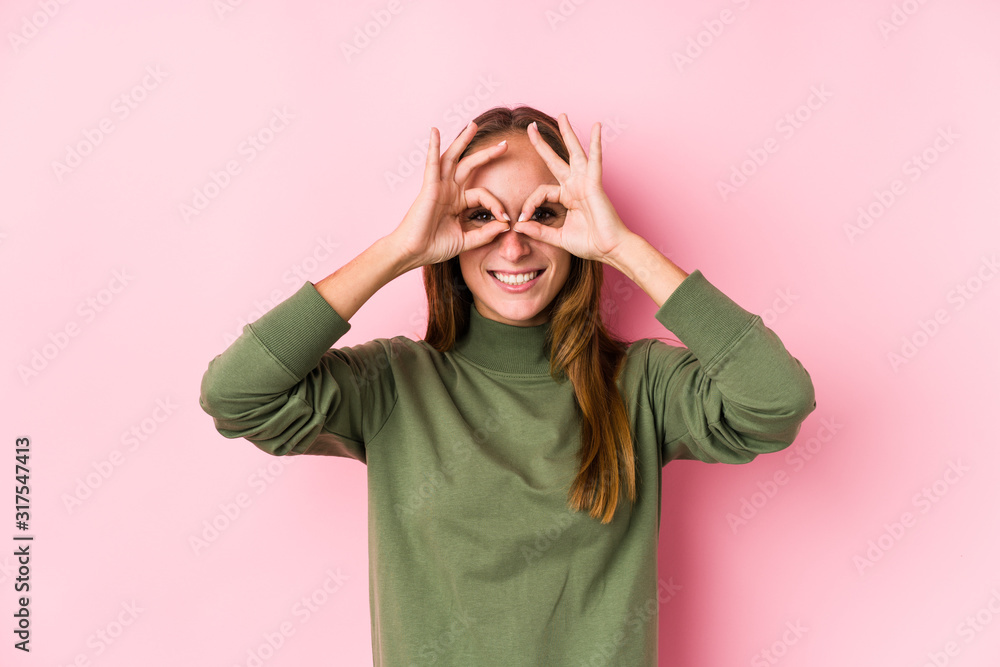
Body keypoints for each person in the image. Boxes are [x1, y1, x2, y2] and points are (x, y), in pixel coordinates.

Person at [199, 106, 816, 666]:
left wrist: (621, 248)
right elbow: (235, 395)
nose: (515, 245)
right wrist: (398, 251)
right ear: (448, 229)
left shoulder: (642, 383)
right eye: (482, 216)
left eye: (543, 215)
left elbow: (778, 400)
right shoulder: (394, 383)